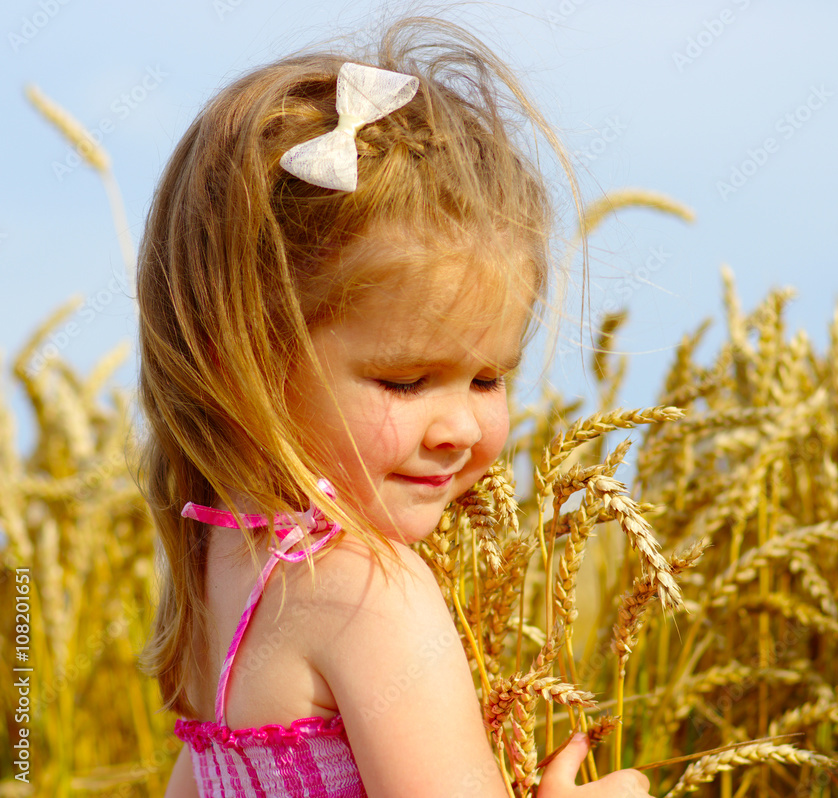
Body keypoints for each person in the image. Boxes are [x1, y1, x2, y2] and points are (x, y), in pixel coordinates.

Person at [138, 16, 653, 798]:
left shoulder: (222, 569)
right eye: (406, 382)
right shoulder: (373, 594)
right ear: (237, 360)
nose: (459, 430)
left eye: (488, 379)